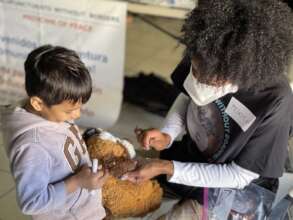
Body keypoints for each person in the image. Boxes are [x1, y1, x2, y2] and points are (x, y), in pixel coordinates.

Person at [124, 0, 293, 218]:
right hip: (190, 155)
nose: (199, 82)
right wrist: (168, 133)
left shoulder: (274, 100)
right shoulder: (206, 47)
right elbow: (188, 96)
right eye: (195, 70)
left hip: (236, 190)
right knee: (116, 174)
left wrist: (166, 167)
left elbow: (239, 176)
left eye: (211, 81)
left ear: (239, 73)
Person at [0, 45, 109, 220]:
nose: (77, 115)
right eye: (69, 111)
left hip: (84, 209)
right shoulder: (32, 146)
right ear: (37, 103)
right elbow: (32, 203)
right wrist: (78, 181)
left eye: (79, 107)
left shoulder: (51, 111)